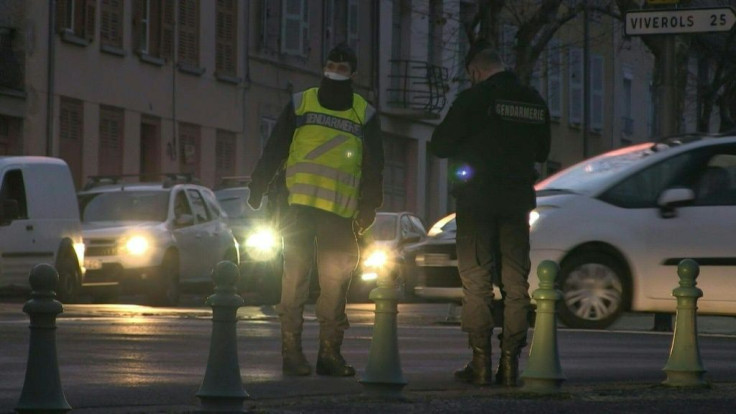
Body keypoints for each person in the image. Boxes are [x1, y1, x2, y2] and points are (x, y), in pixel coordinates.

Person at [247, 43, 384, 377]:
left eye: (340, 65)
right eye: (333, 64)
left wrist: (368, 206)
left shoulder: (360, 113)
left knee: (322, 285)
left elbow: (373, 166)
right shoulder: (306, 103)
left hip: (327, 212)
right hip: (310, 211)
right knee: (305, 284)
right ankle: (305, 354)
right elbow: (277, 146)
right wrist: (258, 185)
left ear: (352, 73)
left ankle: (316, 353)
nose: (336, 69)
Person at [429, 41, 551, 387]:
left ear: (475, 72)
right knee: (515, 283)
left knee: (477, 281)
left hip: (477, 202)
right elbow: (543, 149)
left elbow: (439, 145)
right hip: (516, 205)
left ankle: (480, 362)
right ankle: (511, 363)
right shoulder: (533, 101)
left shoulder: (473, 99)